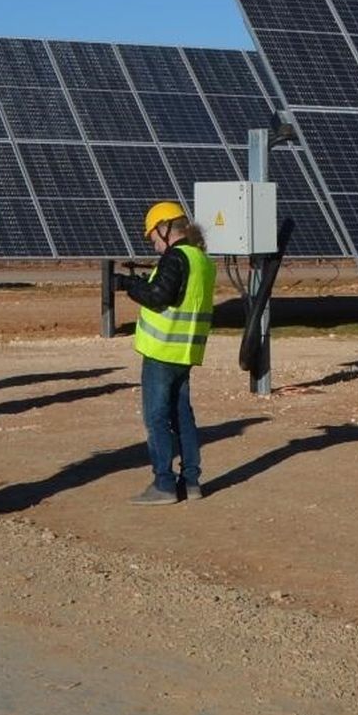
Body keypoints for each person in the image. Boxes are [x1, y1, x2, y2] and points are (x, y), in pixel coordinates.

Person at [113, 201, 217, 505]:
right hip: (185, 352)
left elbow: (159, 296)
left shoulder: (175, 257)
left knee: (156, 418)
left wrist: (129, 286)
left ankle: (163, 484)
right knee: (182, 416)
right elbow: (177, 295)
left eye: (153, 237)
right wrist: (141, 282)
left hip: (162, 351)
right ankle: (192, 483)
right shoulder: (201, 259)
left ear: (165, 227)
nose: (154, 243)